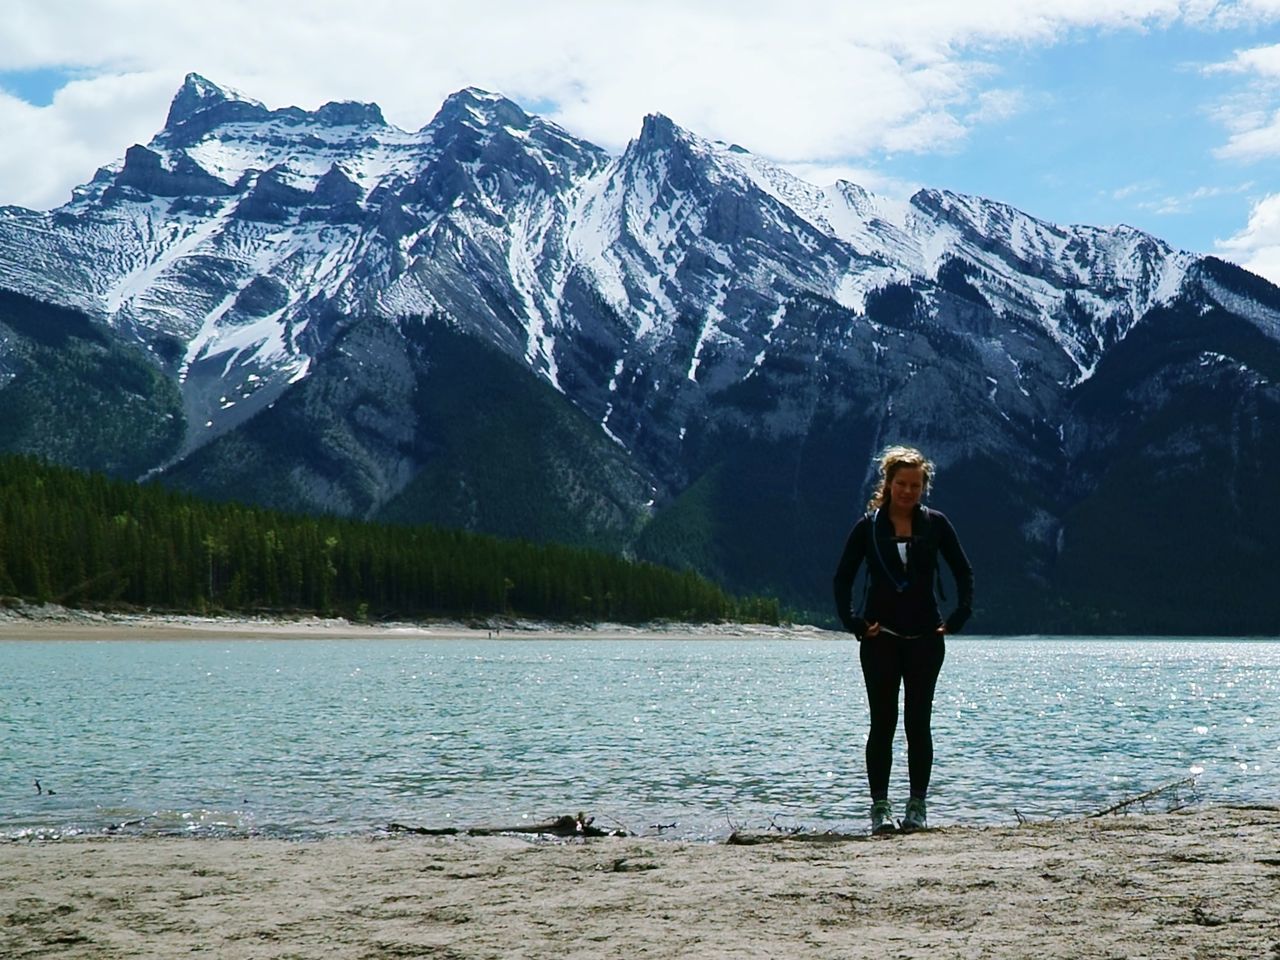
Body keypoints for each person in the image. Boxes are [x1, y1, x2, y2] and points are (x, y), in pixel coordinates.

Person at [832, 445, 973, 835]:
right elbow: (842, 578)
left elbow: (964, 572)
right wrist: (854, 623)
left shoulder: (937, 524)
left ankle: (917, 806)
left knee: (918, 723)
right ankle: (880, 807)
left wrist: (959, 617)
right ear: (888, 484)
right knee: (883, 724)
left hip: (926, 638)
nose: (908, 491)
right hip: (880, 639)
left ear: (924, 486)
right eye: (901, 484)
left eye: (915, 484)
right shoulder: (867, 527)